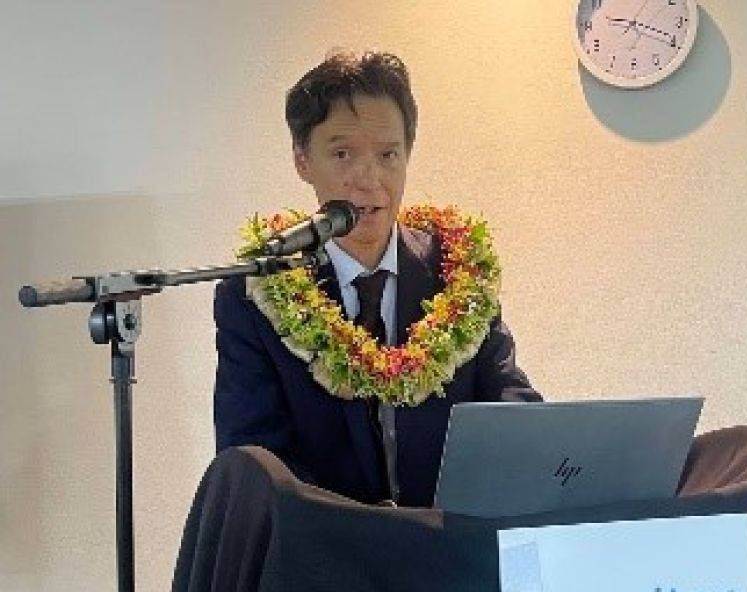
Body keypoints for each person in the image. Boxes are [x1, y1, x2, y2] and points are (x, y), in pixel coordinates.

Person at [213, 50, 541, 506]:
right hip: (328, 559)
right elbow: (254, 462)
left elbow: (508, 402)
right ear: (302, 161)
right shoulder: (255, 294)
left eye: (388, 155)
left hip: (445, 551)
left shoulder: (457, 272)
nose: (369, 180)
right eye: (343, 154)